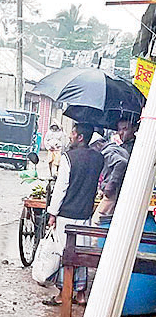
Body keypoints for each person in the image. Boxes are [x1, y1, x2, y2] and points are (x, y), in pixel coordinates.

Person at [44, 123, 104, 306]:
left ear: (80, 137)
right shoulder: (98, 158)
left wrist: (52, 213)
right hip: (85, 213)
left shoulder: (68, 158)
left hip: (67, 214)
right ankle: (81, 294)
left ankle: (64, 294)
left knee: (66, 254)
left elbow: (61, 189)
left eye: (73, 133)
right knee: (82, 254)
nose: (70, 136)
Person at [89, 133, 129, 225]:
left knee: (97, 221)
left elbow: (121, 162)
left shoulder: (106, 152)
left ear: (98, 144)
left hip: (112, 193)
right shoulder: (118, 149)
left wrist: (111, 183)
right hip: (119, 191)